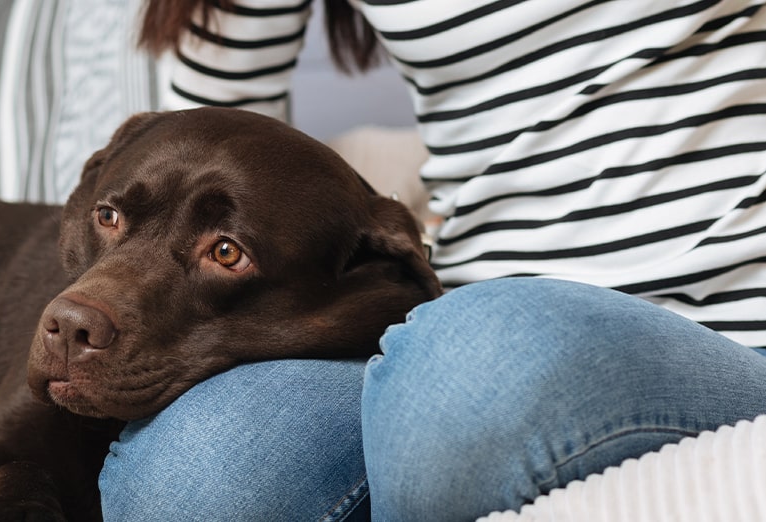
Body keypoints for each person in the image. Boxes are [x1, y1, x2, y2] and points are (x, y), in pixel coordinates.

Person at [98, 1, 766, 520]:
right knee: (199, 466)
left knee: (469, 363)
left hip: (735, 323)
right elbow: (213, 142)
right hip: (444, 325)